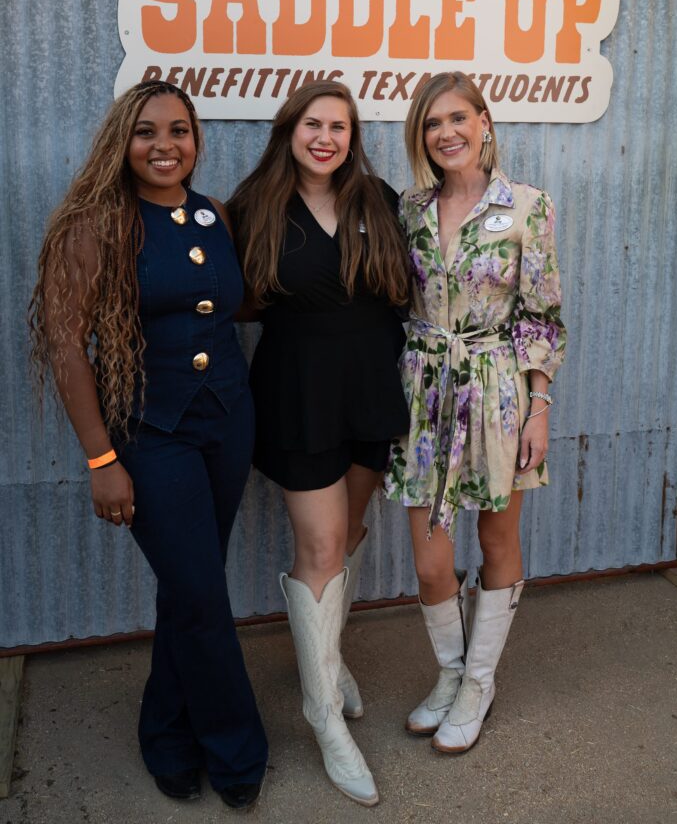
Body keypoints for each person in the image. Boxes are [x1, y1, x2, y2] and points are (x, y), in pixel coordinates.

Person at [29, 81, 268, 810]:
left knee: (188, 593)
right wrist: (103, 460)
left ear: (196, 139)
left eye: (179, 131)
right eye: (146, 132)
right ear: (120, 143)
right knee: (200, 593)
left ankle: (165, 733)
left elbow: (240, 304)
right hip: (149, 432)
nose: (165, 145)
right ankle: (236, 754)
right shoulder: (95, 225)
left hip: (227, 423)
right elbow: (67, 347)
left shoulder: (214, 214)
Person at [227, 79, 410, 806]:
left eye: (339, 125)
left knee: (354, 529)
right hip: (297, 388)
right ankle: (323, 715)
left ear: (352, 135)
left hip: (370, 384)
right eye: (313, 124)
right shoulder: (254, 206)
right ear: (290, 130)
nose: (326, 136)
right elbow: (232, 295)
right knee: (321, 545)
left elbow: (407, 287)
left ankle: (328, 661)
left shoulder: (379, 198)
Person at [384, 71, 566, 754]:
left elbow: (542, 314)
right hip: (422, 390)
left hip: (497, 390)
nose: (447, 133)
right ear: (421, 137)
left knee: (496, 543)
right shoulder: (408, 210)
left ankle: (479, 683)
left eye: (459, 118)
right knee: (431, 561)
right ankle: (451, 673)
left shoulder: (527, 206)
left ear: (484, 122)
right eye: (433, 124)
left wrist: (539, 406)